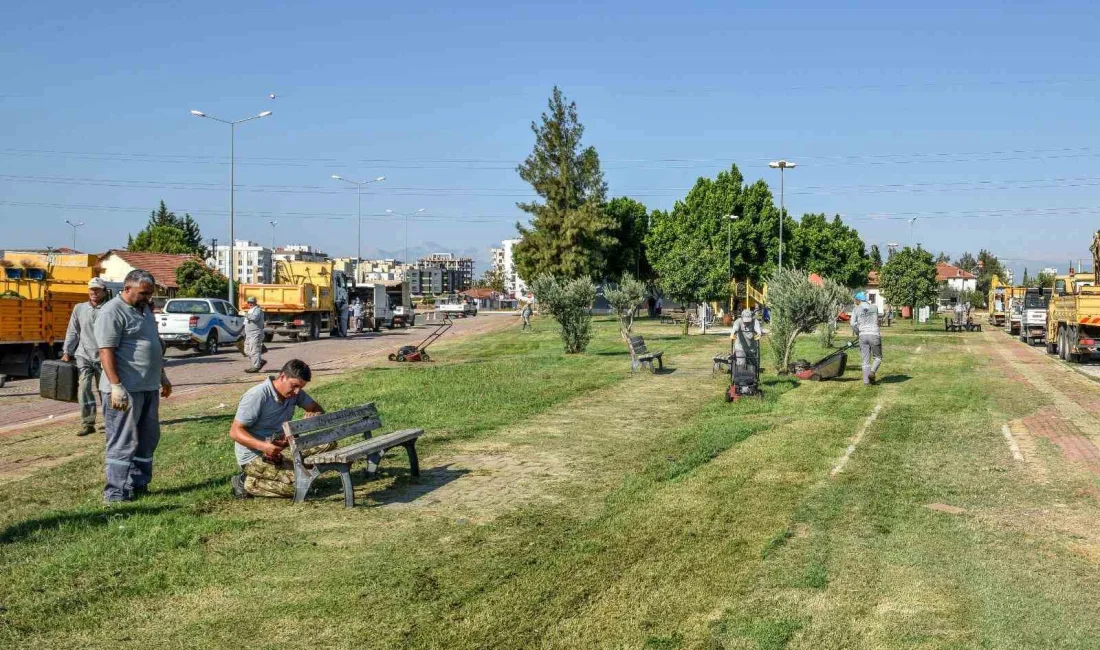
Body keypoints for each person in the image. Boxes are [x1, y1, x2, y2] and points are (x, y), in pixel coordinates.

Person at [95, 269, 172, 503]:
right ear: (127, 288)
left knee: (148, 438)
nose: (148, 298)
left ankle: (138, 484)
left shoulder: (145, 310)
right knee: (122, 441)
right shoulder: (112, 312)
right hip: (124, 391)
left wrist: (162, 377)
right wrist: (116, 385)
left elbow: (152, 346)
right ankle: (115, 493)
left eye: (150, 293)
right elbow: (105, 351)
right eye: (143, 293)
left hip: (148, 387)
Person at [229, 359, 337, 498]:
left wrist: (314, 414)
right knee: (301, 487)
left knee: (328, 443)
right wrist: (263, 446)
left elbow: (317, 409)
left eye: (301, 387)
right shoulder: (258, 395)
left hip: (282, 449)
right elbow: (235, 431)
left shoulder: (294, 393)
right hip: (255, 456)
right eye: (294, 386)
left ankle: (289, 470)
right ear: (282, 377)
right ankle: (245, 482)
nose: (297, 391)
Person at [62, 278, 108, 436]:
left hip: (105, 356)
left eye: (97, 290)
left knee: (105, 390)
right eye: (91, 289)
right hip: (83, 355)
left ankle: (110, 421)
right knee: (84, 388)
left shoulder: (109, 309)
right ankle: (88, 423)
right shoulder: (79, 308)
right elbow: (73, 331)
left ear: (104, 291)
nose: (94, 292)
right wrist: (67, 351)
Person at [850, 291, 882, 386]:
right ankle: (872, 372)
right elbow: (875, 318)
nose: (855, 301)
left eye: (855, 300)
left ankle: (866, 382)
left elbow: (852, 324)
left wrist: (857, 332)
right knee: (878, 357)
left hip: (863, 335)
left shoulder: (856, 309)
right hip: (874, 334)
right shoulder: (875, 307)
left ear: (858, 300)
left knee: (865, 360)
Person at [243, 296, 266, 373]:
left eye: (252, 302)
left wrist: (245, 314)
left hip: (255, 333)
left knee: (254, 351)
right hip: (248, 334)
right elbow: (246, 322)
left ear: (255, 303)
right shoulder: (250, 310)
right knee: (246, 350)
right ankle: (260, 361)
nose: (250, 304)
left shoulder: (257, 310)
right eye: (249, 302)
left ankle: (255, 367)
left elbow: (254, 318)